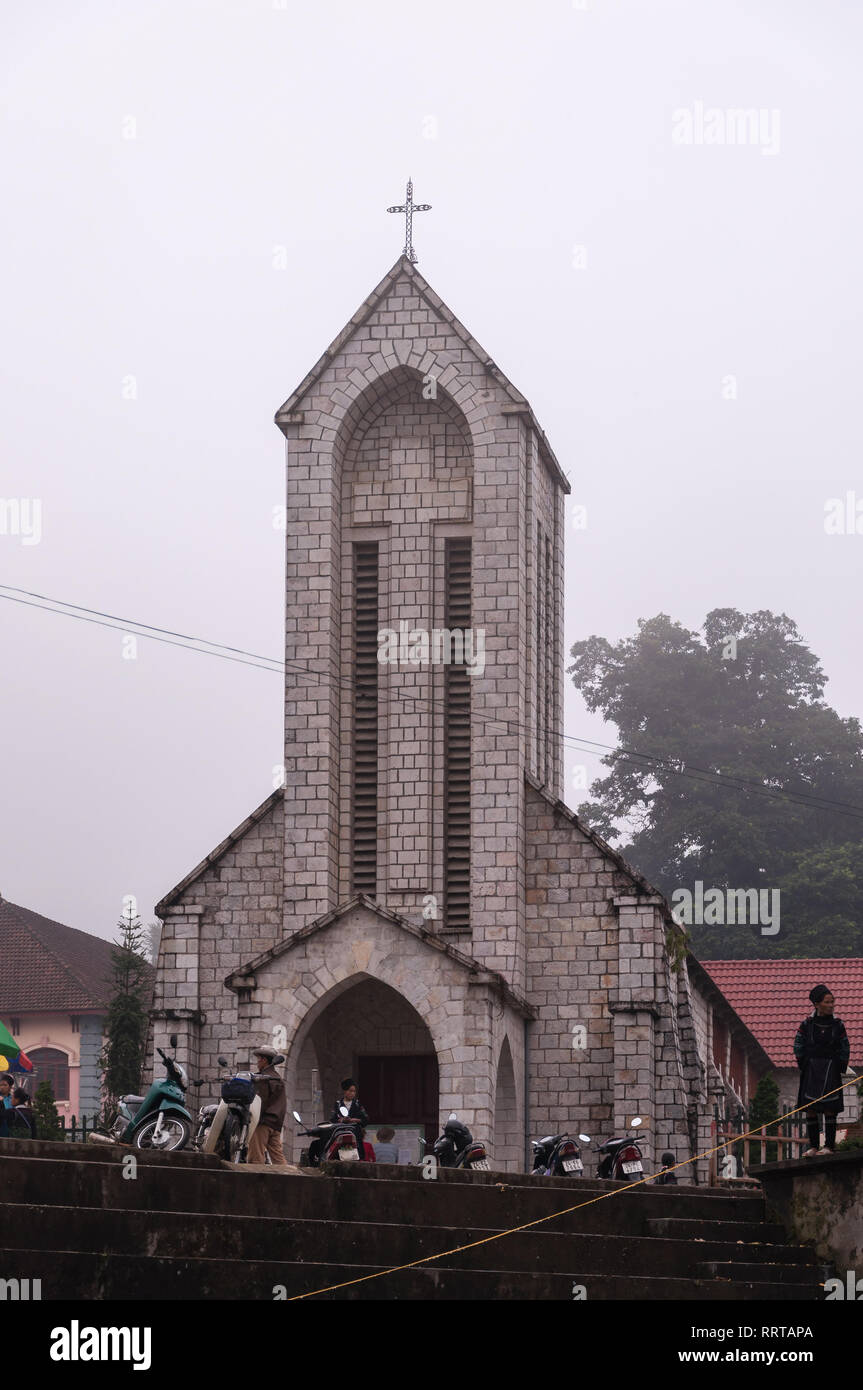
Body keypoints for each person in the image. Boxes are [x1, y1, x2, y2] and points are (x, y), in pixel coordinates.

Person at [794, 985, 850, 1156]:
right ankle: (813, 1146)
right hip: (811, 1068)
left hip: (831, 1068)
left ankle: (829, 1146)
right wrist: (805, 1064)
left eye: (833, 1002)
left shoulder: (838, 1025)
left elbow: (844, 1047)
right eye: (827, 1002)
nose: (831, 1005)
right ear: (817, 1004)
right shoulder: (807, 1024)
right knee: (811, 1108)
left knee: (830, 1107)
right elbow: (798, 1046)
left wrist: (839, 1066)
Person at [247, 1046, 288, 1166]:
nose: (257, 1062)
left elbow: (260, 1102)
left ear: (264, 1060)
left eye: (259, 1059)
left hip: (263, 1122)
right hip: (275, 1123)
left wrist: (252, 1116)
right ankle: (288, 1178)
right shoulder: (277, 1077)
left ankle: (256, 1182)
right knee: (278, 1158)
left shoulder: (264, 1078)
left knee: (255, 1157)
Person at [331, 1077, 370, 1160]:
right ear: (345, 1091)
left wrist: (354, 1120)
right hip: (341, 1134)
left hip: (355, 1134)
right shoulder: (338, 1104)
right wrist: (342, 1120)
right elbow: (332, 1120)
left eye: (354, 1091)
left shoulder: (357, 1104)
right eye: (350, 1091)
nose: (352, 1093)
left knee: (356, 1156)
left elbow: (365, 1119)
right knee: (341, 1157)